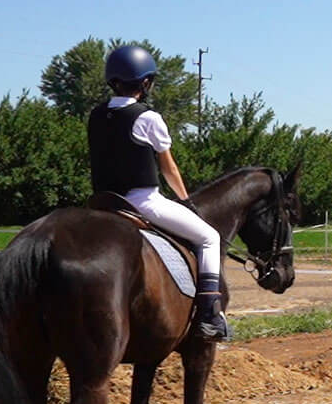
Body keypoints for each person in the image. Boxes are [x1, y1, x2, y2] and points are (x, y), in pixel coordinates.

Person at [87, 44, 229, 340]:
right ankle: (209, 315)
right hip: (143, 202)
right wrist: (185, 200)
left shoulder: (96, 116)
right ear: (145, 82)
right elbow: (169, 169)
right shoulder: (148, 118)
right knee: (209, 237)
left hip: (102, 205)